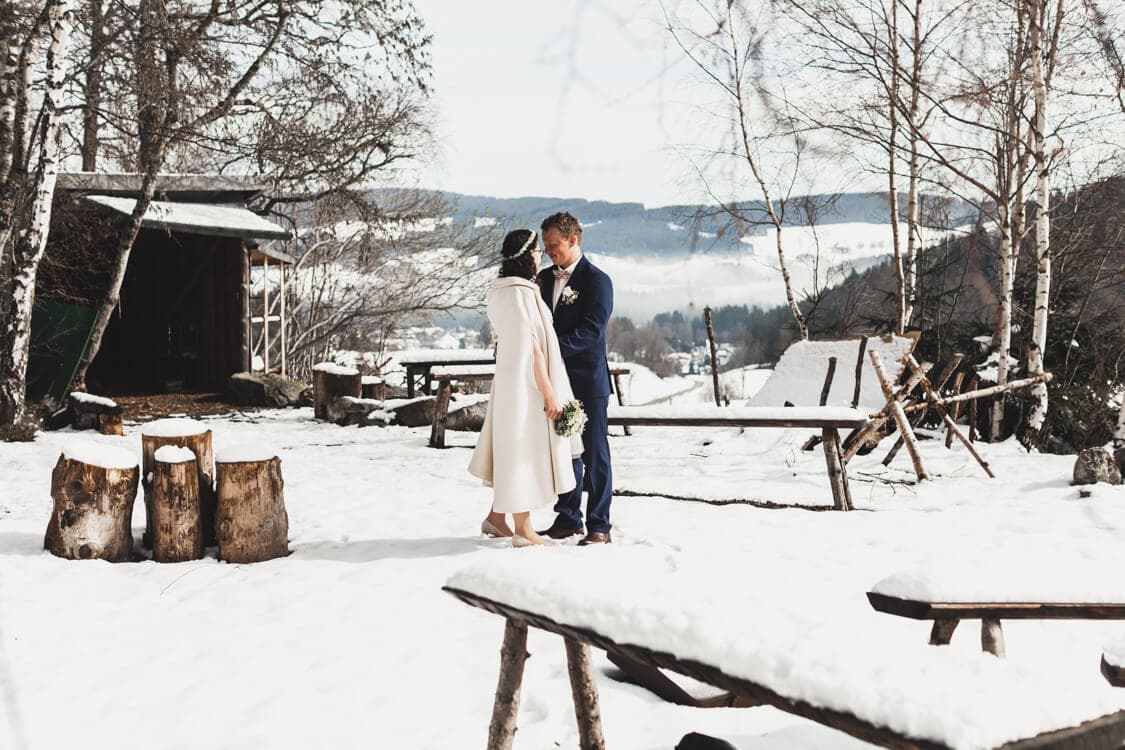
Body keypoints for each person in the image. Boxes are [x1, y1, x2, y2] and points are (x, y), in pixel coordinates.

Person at [468, 229, 580, 547]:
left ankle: (497, 518)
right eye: (535, 252)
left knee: (509, 448)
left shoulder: (499, 290)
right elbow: (532, 349)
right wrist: (549, 393)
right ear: (525, 255)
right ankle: (524, 529)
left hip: (507, 382)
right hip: (524, 388)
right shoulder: (521, 293)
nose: (539, 256)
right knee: (522, 450)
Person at [535, 212, 615, 546]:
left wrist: (550, 350)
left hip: (587, 381)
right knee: (562, 451)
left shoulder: (598, 281)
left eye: (553, 245)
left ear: (573, 240)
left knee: (595, 455)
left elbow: (591, 332)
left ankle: (600, 525)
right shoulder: (541, 279)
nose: (548, 251)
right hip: (554, 383)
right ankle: (568, 518)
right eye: (545, 246)